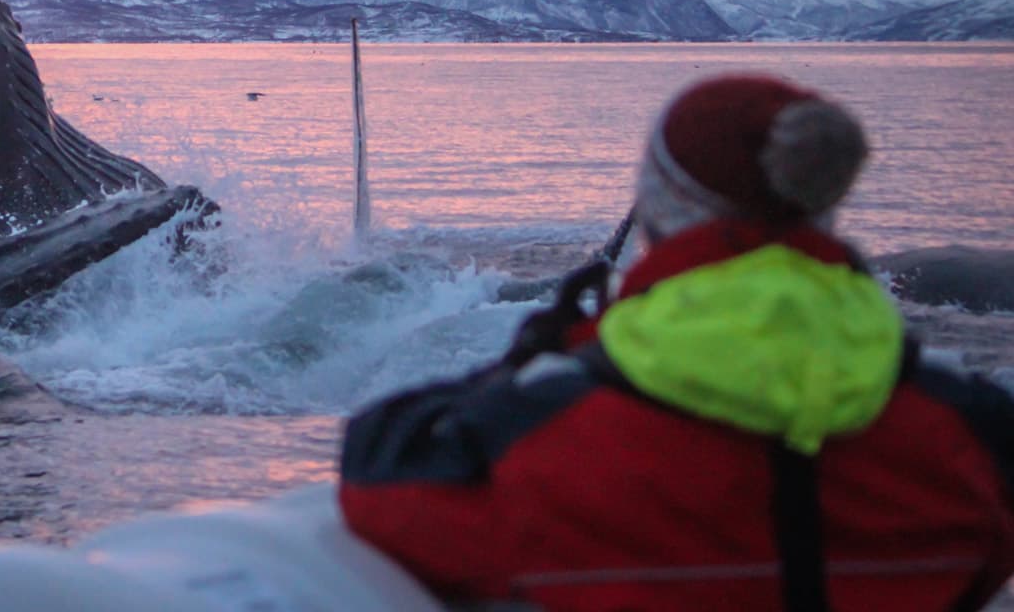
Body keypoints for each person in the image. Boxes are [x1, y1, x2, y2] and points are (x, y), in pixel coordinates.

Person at [339, 73, 1014, 611]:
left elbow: (384, 469)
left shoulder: (560, 438)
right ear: (824, 206)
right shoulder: (974, 435)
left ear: (658, 210)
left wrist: (551, 356)